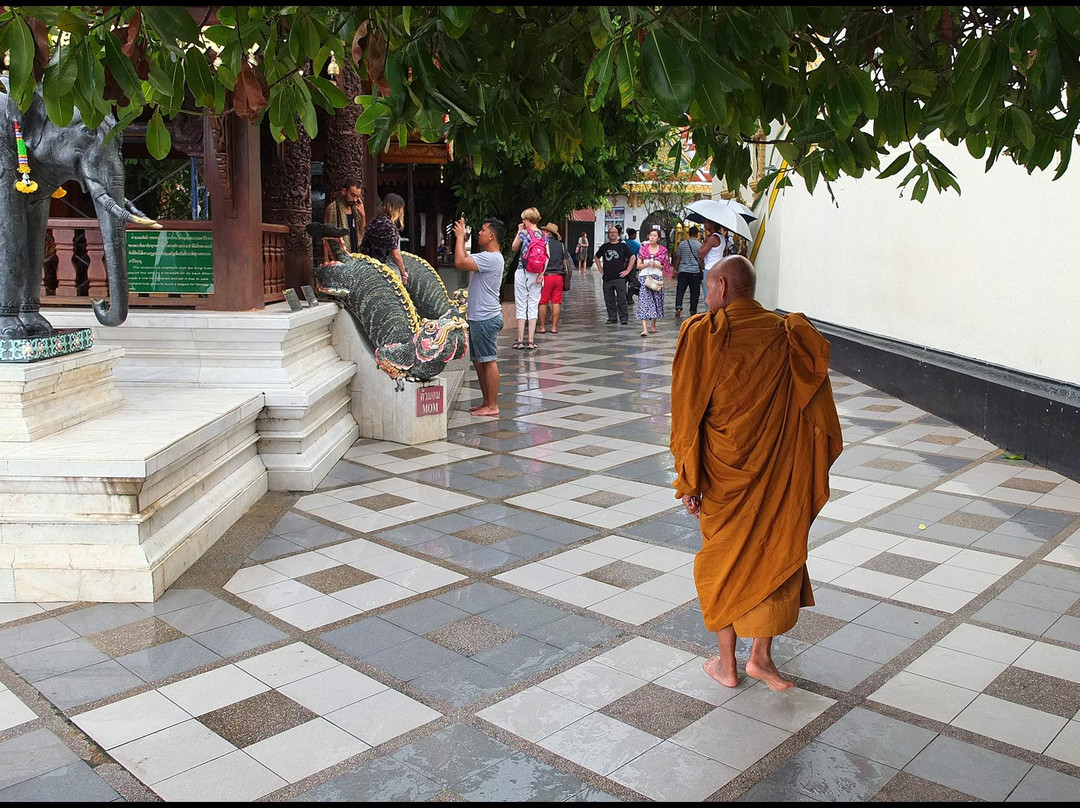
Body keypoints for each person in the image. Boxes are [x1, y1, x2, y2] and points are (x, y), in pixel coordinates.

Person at [669, 255, 843, 692]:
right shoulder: (787, 334)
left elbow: (687, 415)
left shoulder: (703, 335)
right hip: (777, 475)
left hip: (721, 477)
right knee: (773, 549)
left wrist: (689, 479)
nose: (707, 295)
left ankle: (727, 665)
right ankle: (761, 658)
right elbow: (815, 413)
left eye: (709, 287)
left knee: (725, 563)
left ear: (723, 288)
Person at [453, 215, 506, 417]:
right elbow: (465, 260)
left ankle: (493, 405)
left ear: (492, 236)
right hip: (479, 317)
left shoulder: (492, 258)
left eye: (483, 230)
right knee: (479, 360)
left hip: (485, 317)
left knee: (488, 360)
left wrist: (460, 237)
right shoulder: (488, 257)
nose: (480, 233)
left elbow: (460, 262)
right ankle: (486, 402)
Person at [510, 207, 547, 350]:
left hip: (523, 271)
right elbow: (547, 256)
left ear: (527, 220)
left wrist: (519, 231)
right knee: (533, 305)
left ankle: (520, 340)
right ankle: (531, 340)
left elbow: (514, 247)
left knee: (521, 305)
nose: (523, 222)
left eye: (523, 219)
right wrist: (542, 273)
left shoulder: (524, 233)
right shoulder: (543, 235)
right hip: (537, 273)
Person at [360, 193, 408, 282]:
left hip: (371, 268)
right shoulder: (390, 227)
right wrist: (403, 272)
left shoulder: (374, 222)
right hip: (390, 271)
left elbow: (363, 237)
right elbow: (396, 255)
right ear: (396, 209)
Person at [594, 225, 636, 325]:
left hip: (620, 277)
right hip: (607, 277)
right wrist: (600, 268)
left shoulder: (623, 246)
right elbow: (596, 257)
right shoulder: (604, 247)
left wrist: (628, 270)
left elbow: (632, 257)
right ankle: (612, 317)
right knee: (609, 299)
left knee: (622, 299)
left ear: (618, 234)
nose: (612, 234)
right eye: (610, 232)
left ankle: (624, 318)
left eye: (614, 232)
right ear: (608, 234)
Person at [634, 227, 671, 336]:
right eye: (650, 235)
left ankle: (654, 322)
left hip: (656, 278)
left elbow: (665, 266)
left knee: (656, 300)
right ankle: (644, 328)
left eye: (654, 236)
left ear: (658, 238)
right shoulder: (643, 249)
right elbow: (638, 265)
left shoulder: (663, 250)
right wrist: (646, 264)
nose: (652, 238)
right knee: (644, 302)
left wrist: (656, 265)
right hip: (644, 277)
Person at [537, 222, 569, 335]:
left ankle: (542, 327)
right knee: (556, 302)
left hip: (546, 276)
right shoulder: (561, 245)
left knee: (543, 302)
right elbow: (565, 261)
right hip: (558, 277)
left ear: (549, 233)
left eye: (545, 231)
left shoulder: (543, 244)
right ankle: (554, 327)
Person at [322, 179, 366, 259]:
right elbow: (326, 237)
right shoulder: (333, 208)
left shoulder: (356, 209)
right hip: (340, 256)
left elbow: (362, 234)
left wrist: (363, 216)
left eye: (357, 197)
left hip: (356, 256)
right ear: (344, 191)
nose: (355, 200)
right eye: (352, 195)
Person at [673, 224, 704, 316]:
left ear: (688, 233)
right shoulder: (699, 245)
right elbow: (701, 259)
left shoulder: (682, 244)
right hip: (695, 271)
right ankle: (693, 310)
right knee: (695, 292)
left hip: (683, 270)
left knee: (680, 290)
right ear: (697, 234)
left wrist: (676, 269)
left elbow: (678, 258)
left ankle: (678, 307)